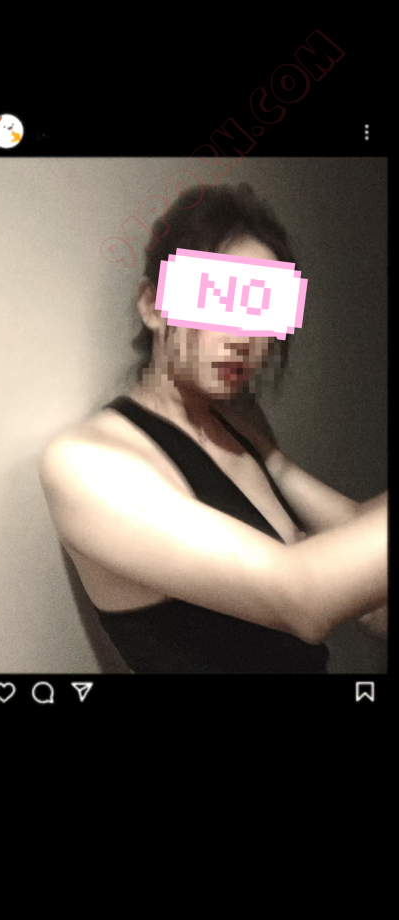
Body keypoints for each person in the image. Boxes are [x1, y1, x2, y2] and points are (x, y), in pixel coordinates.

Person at [39, 182, 388, 673]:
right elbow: (300, 597)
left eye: (261, 309)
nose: (244, 337)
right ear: (152, 305)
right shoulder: (85, 462)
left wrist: (273, 460)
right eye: (217, 299)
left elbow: (354, 537)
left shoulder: (235, 421)